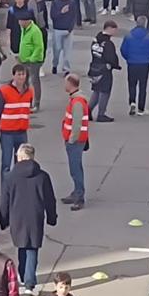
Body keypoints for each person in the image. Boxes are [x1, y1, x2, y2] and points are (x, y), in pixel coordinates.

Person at [0, 145, 57, 296]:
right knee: (32, 248)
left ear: (20, 157)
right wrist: (52, 217)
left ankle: (23, 275)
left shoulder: (10, 177)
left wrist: (3, 220)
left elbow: (4, 201)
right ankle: (30, 283)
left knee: (21, 246)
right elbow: (50, 199)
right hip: (35, 217)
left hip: (17, 217)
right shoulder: (43, 176)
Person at [0, 63, 34, 185]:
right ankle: (6, 189)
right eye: (19, 74)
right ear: (13, 75)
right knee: (6, 164)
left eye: (23, 74)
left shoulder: (29, 91)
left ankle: (19, 187)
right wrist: (1, 125)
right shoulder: (4, 91)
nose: (21, 77)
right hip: (7, 133)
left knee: (22, 163)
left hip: (22, 132)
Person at [61, 74, 89, 211]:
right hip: (76, 140)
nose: (64, 85)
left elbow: (77, 124)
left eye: (66, 83)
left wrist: (71, 139)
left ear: (71, 84)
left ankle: (79, 196)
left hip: (75, 141)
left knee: (75, 169)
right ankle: (76, 192)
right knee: (75, 168)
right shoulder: (76, 99)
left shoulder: (77, 102)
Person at [86, 20, 120, 122]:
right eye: (114, 30)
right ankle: (101, 114)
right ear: (109, 28)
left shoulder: (96, 40)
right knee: (105, 91)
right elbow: (111, 58)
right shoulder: (108, 43)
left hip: (95, 67)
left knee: (96, 91)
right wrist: (115, 65)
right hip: (104, 69)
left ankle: (88, 110)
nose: (115, 32)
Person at [17, 16, 46, 111]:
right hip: (24, 60)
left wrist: (32, 59)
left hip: (33, 61)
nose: (19, 22)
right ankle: (27, 102)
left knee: (34, 81)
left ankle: (36, 104)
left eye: (21, 20)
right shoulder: (24, 29)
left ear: (27, 21)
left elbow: (39, 47)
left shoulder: (35, 31)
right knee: (25, 82)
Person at [48, 0, 78, 75]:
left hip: (68, 30)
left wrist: (71, 28)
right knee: (57, 50)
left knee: (67, 51)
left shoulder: (72, 3)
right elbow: (53, 16)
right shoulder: (55, 2)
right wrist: (61, 12)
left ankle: (66, 69)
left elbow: (74, 16)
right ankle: (55, 64)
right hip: (58, 29)